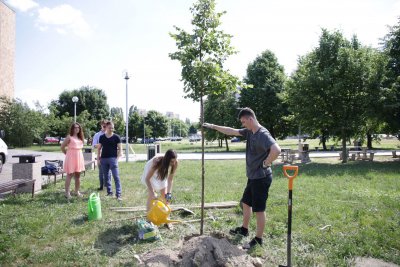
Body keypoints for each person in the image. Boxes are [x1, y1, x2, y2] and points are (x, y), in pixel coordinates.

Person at [203, 107, 281, 250]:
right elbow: (231, 131)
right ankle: (244, 229)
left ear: (251, 119)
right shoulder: (250, 131)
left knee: (259, 209)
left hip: (261, 178)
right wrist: (213, 126)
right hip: (252, 177)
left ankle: (258, 239)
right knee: (246, 202)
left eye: (244, 122)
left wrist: (266, 163)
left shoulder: (263, 134)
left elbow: (276, 150)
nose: (243, 125)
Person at [97, 121, 123, 201]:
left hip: (113, 159)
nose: (111, 129)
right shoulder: (102, 137)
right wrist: (98, 158)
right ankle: (109, 192)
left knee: (116, 177)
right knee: (106, 177)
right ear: (106, 128)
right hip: (104, 159)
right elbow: (99, 148)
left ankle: (118, 194)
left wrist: (117, 159)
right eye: (109, 128)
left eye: (112, 128)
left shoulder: (116, 137)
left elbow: (120, 149)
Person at [61, 123, 86, 199]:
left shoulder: (80, 137)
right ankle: (67, 193)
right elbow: (62, 147)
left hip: (79, 157)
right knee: (70, 175)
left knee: (78, 175)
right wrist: (67, 154)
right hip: (71, 157)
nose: (77, 129)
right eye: (75, 127)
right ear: (72, 128)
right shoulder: (69, 137)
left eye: (78, 127)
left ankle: (76, 191)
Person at [92, 120, 110, 191]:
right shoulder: (97, 135)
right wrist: (101, 145)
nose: (105, 127)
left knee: (109, 172)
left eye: (106, 126)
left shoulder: (110, 134)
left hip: (109, 155)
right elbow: (93, 145)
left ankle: (108, 186)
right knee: (101, 172)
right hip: (100, 156)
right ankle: (101, 186)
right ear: (101, 125)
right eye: (104, 126)